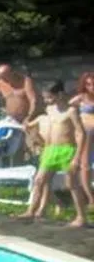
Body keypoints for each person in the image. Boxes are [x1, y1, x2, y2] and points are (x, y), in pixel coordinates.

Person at [20, 82, 87, 227]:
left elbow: (81, 134)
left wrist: (77, 157)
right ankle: (32, 210)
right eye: (45, 98)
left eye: (49, 98)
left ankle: (81, 217)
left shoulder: (71, 111)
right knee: (39, 181)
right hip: (50, 150)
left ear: (60, 95)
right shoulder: (49, 109)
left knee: (72, 184)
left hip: (67, 150)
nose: (46, 101)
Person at [70, 72, 94, 214]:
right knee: (85, 166)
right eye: (88, 84)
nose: (91, 87)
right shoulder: (81, 98)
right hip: (86, 134)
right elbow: (68, 108)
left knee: (86, 165)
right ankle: (90, 197)